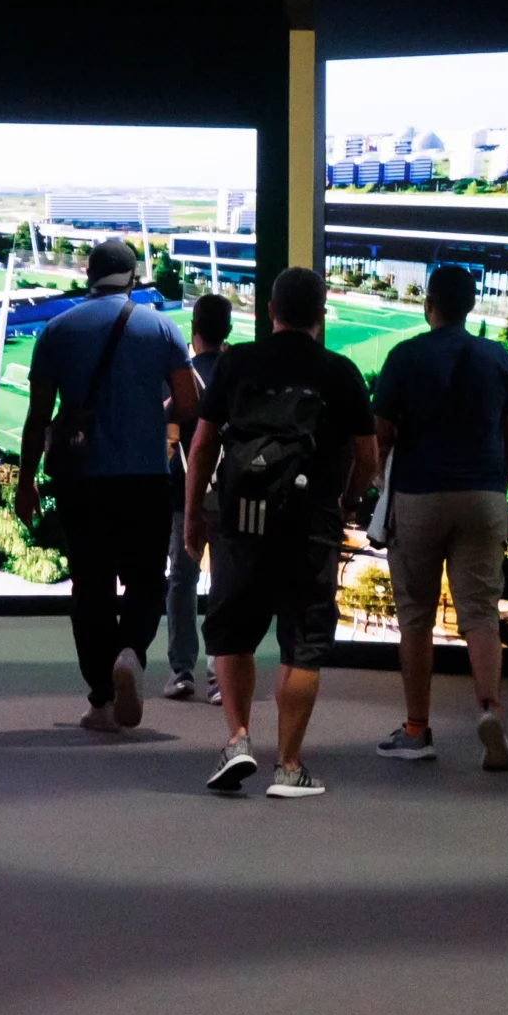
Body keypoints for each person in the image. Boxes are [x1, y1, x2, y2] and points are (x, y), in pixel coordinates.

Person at [183, 267, 376, 797]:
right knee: (302, 645)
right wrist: (348, 502)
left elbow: (202, 446)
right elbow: (368, 455)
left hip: (240, 521)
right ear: (321, 314)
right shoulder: (340, 372)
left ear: (270, 310)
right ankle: (288, 767)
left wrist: (197, 515)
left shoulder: (236, 362)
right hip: (309, 523)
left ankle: (238, 739)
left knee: (232, 632)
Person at [19, 239, 198, 733]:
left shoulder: (57, 330)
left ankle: (100, 698)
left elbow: (38, 417)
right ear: (133, 277)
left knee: (90, 586)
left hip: (81, 481)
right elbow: (187, 405)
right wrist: (151, 415)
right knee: (145, 579)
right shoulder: (160, 328)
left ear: (88, 274)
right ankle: (132, 653)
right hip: (144, 476)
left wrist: (26, 481)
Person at [369, 264, 508, 771]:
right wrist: (496, 484)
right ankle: (490, 709)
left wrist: (382, 483)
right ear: (472, 305)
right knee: (480, 613)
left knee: (415, 618)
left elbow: (381, 433)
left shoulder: (405, 355)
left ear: (428, 304)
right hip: (483, 494)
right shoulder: (496, 356)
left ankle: (417, 731)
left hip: (419, 495)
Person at [161, 291, 232, 702]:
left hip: (184, 491)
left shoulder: (183, 377)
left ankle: (182, 670)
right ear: (227, 330)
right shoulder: (239, 372)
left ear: (194, 330)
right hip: (229, 492)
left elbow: (168, 421)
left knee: (181, 579)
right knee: (224, 579)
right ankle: (220, 673)